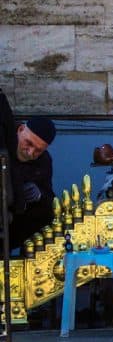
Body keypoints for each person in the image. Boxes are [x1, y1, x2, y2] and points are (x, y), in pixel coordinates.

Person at [0, 88, 57, 251]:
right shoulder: (3, 142)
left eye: (38, 150)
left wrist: (39, 194)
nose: (31, 152)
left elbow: (49, 197)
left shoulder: (44, 161)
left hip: (15, 222)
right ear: (20, 130)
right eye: (29, 144)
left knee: (45, 212)